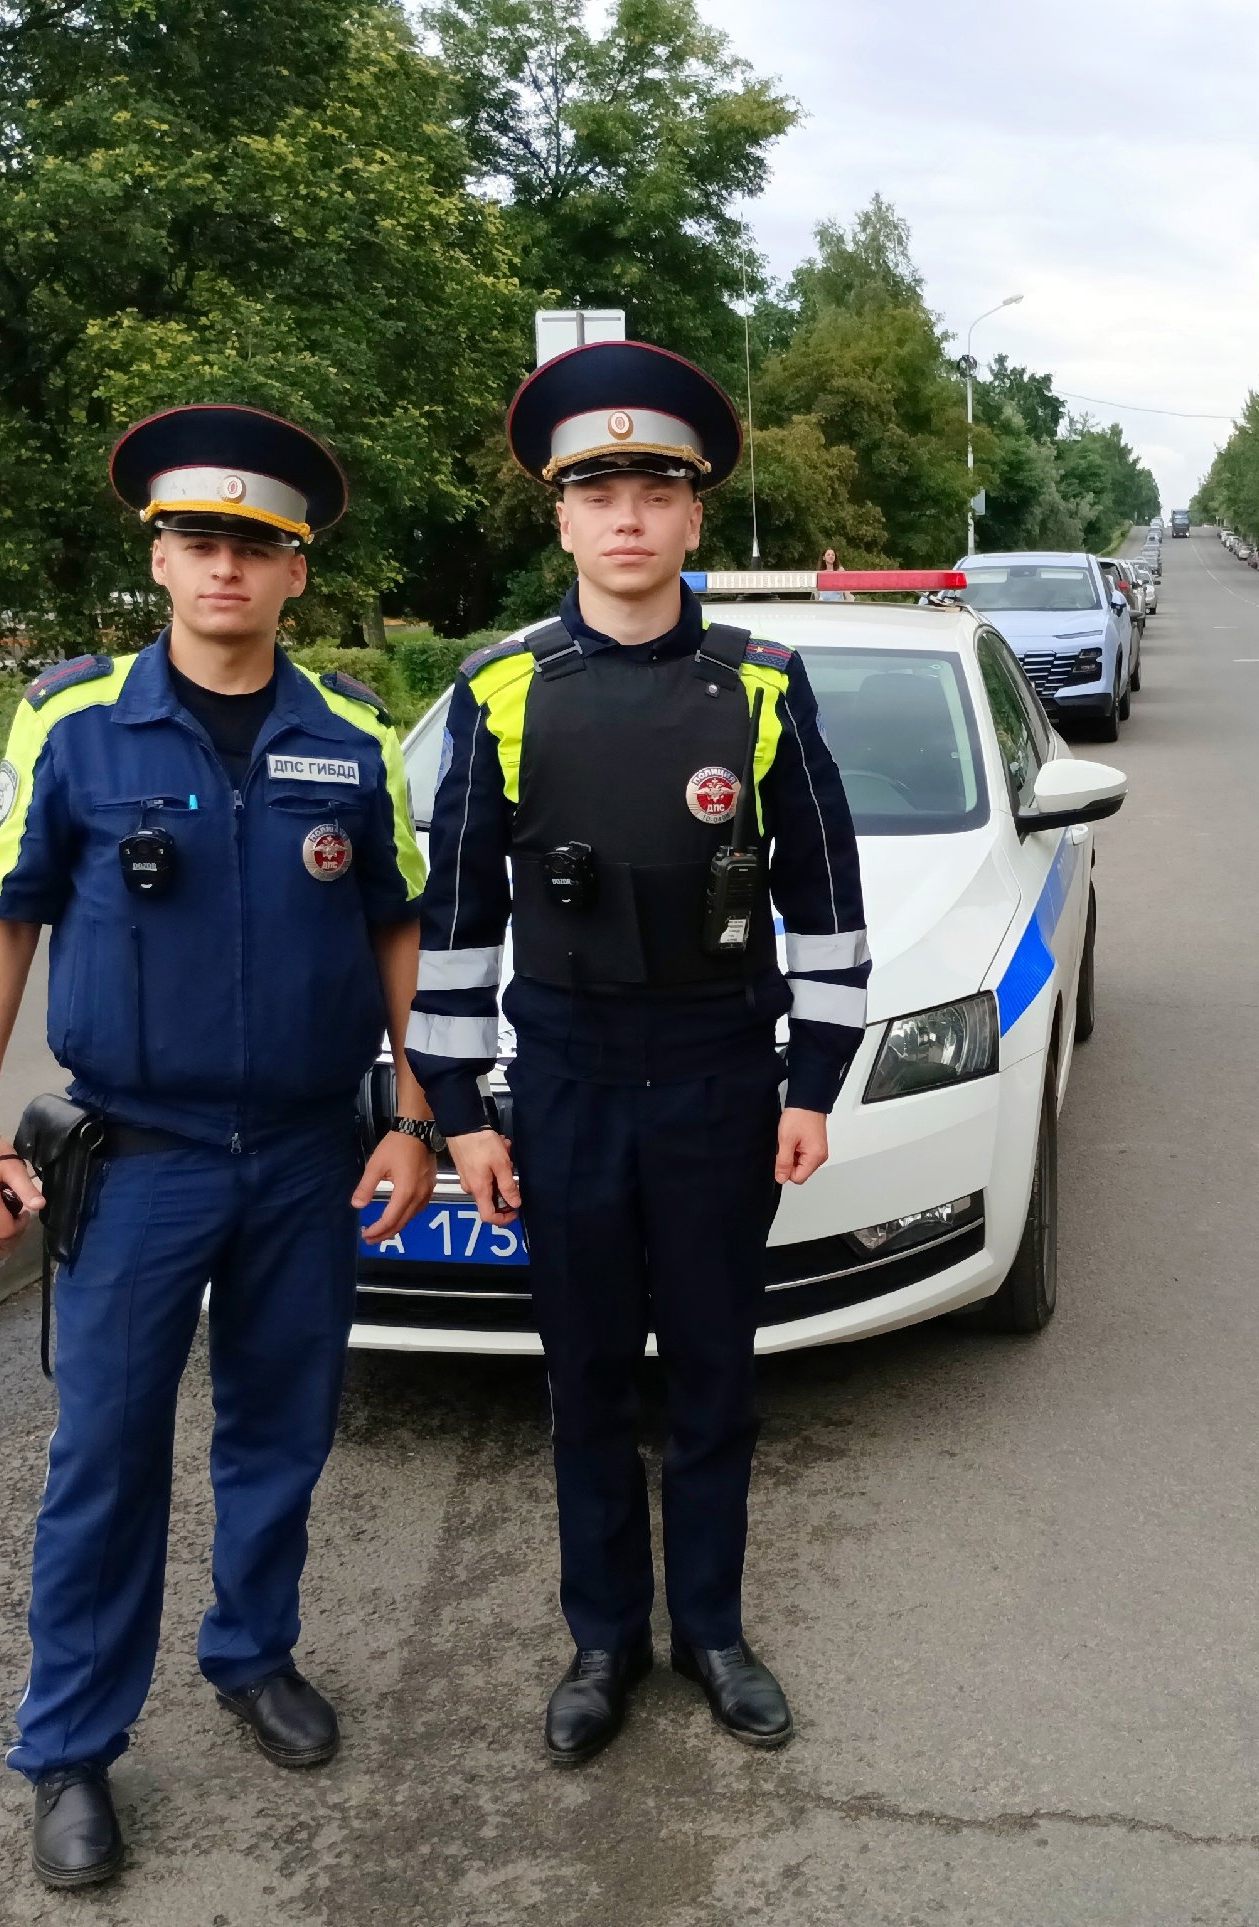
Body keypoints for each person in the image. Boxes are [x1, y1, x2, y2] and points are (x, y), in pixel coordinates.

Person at [0, 404, 439, 1889]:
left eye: (257, 547)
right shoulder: (76, 721)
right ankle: (73, 1748)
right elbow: (1, 921)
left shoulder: (348, 734)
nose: (224, 566)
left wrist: (416, 1117)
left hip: (302, 1152)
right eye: (198, 540)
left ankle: (251, 1653)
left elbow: (397, 931)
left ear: (296, 574)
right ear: (159, 557)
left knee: (280, 1433)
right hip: (141, 1163)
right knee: (104, 1457)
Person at [406, 339, 869, 1763]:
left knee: (719, 1373)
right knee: (590, 1378)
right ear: (560, 517)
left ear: (692, 516)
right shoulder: (499, 690)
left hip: (724, 1080)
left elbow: (828, 903)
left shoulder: (767, 683)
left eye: (653, 489)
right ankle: (603, 1641)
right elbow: (460, 920)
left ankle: (713, 1634)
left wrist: (810, 1088)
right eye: (595, 489)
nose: (625, 516)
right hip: (566, 1084)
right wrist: (460, 1116)